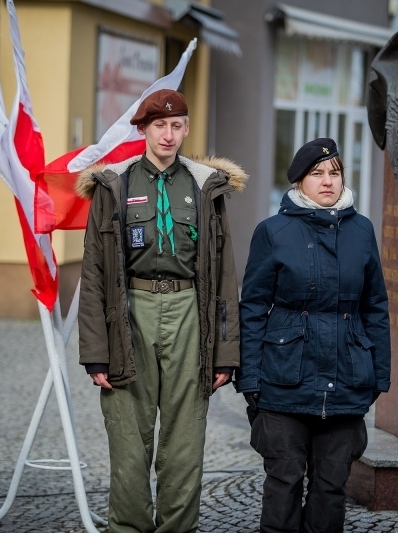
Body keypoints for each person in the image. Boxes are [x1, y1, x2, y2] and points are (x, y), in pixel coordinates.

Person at [76, 89, 247, 533]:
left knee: (185, 440)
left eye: (176, 125)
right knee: (128, 439)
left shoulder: (205, 187)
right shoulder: (115, 185)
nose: (168, 135)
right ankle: (129, 528)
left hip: (190, 311)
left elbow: (225, 275)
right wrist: (95, 353)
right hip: (130, 312)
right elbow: (94, 273)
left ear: (186, 128)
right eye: (159, 126)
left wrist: (225, 353)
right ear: (143, 130)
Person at [236, 138, 391, 533]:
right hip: (284, 378)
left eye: (334, 173)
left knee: (331, 486)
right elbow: (252, 307)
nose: (327, 181)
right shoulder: (273, 231)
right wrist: (249, 377)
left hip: (346, 378)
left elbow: (375, 306)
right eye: (317, 174)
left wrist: (378, 375)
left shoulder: (361, 231)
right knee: (284, 481)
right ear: (299, 182)